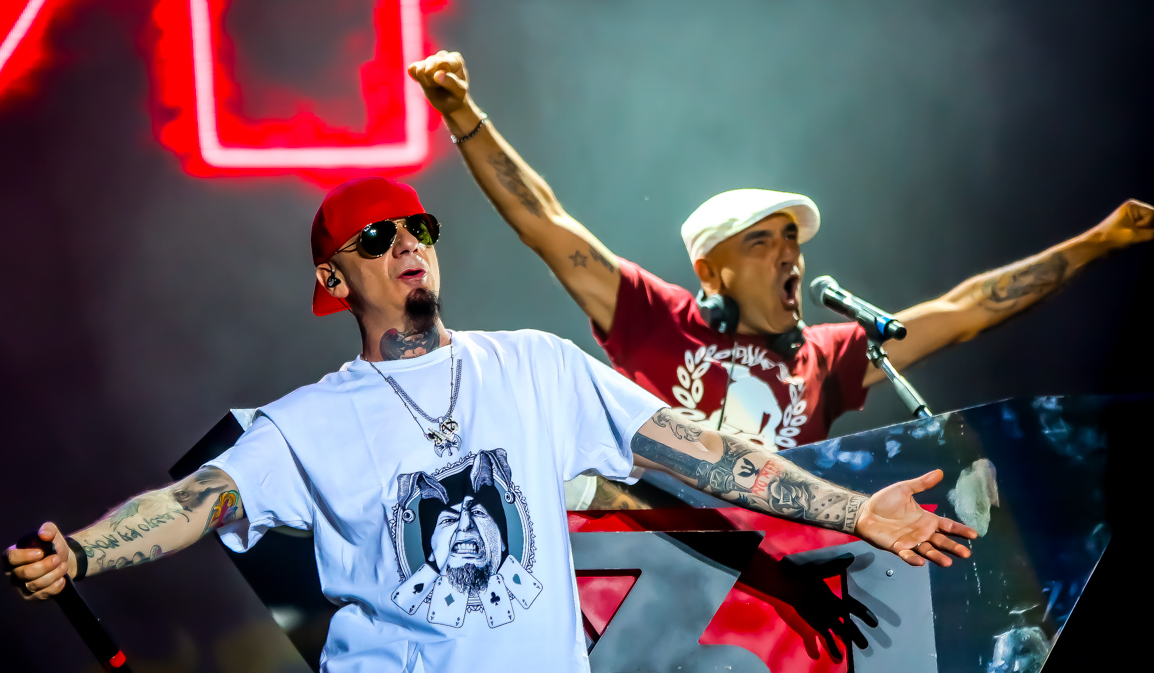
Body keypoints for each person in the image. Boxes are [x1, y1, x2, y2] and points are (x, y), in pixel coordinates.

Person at [5, 176, 976, 673]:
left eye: (416, 227)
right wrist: (84, 551)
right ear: (333, 279)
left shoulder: (537, 368)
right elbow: (198, 499)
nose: (406, 243)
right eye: (375, 237)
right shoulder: (312, 418)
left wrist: (856, 510)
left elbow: (703, 453)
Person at [408, 50, 1154, 453]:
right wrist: (463, 114)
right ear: (712, 271)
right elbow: (545, 222)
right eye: (761, 241)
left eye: (791, 238)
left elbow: (966, 311)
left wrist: (1100, 241)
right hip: (665, 595)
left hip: (786, 610)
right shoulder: (655, 320)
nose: (787, 255)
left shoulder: (829, 357)